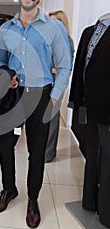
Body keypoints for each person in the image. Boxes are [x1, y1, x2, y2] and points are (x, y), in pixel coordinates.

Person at [0, 0, 72, 228]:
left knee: (36, 153)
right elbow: (1, 63)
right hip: (13, 97)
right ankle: (8, 190)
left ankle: (33, 199)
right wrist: (7, 78)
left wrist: (54, 98)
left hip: (41, 97)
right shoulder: (6, 29)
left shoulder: (54, 28)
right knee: (5, 147)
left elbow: (65, 66)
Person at [68, 13, 110, 228]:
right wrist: (75, 99)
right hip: (87, 103)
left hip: (107, 107)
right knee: (92, 154)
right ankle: (89, 201)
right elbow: (80, 69)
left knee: (108, 161)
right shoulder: (88, 31)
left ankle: (106, 213)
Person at [45, 10, 75, 162]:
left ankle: (48, 154)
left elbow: (66, 66)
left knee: (52, 116)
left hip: (57, 82)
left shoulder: (67, 41)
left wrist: (53, 69)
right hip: (45, 82)